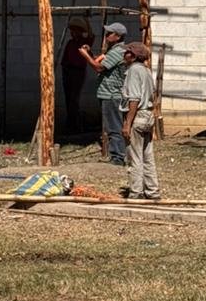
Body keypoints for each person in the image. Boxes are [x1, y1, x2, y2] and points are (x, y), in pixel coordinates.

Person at [80, 21, 128, 165]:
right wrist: (90, 53)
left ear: (118, 36)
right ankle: (117, 155)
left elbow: (99, 67)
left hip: (112, 95)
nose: (106, 36)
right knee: (112, 126)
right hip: (108, 94)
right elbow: (101, 61)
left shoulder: (118, 51)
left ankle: (118, 157)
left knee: (114, 127)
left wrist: (84, 56)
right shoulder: (112, 50)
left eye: (110, 33)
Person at [121, 42, 160, 201]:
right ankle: (153, 191)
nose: (124, 55)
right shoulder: (146, 71)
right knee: (147, 156)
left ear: (134, 56)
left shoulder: (133, 71)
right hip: (148, 116)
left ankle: (136, 192)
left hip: (137, 116)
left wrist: (127, 123)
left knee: (134, 157)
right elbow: (153, 95)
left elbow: (134, 99)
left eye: (127, 53)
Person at [60, 16, 94, 132]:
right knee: (69, 98)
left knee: (74, 99)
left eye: (75, 31)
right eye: (72, 31)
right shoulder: (70, 43)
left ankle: (75, 125)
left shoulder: (83, 42)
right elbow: (64, 60)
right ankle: (71, 123)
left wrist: (86, 20)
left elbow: (90, 35)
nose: (73, 33)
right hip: (68, 71)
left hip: (77, 72)